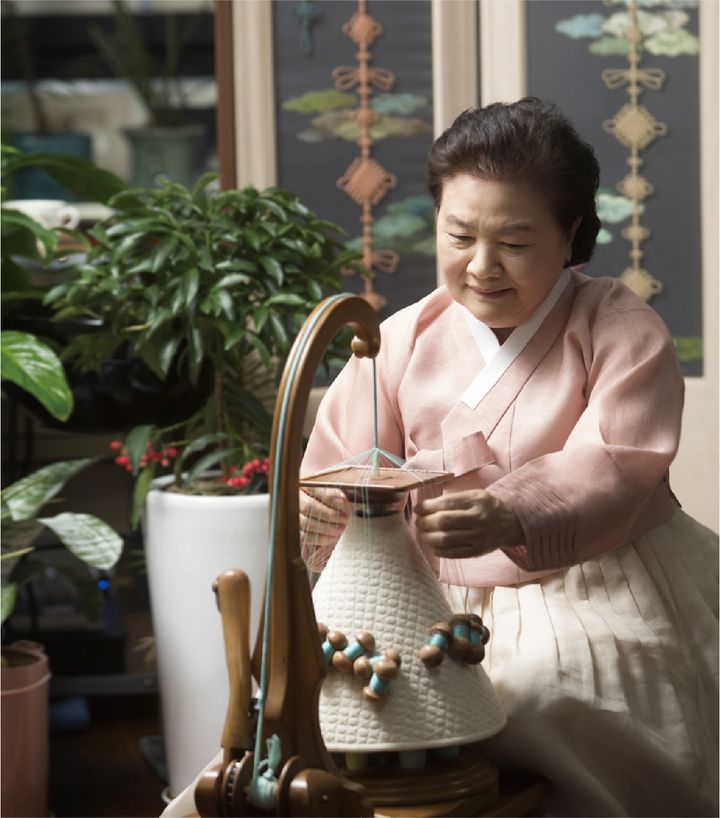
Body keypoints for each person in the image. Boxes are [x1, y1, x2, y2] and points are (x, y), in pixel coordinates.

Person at [299, 97, 718, 817]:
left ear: (571, 236)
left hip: (590, 576)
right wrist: (328, 504)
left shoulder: (620, 328)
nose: (482, 266)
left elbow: (618, 459)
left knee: (547, 693)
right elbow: (338, 461)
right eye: (459, 236)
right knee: (315, 704)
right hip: (417, 588)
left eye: (516, 243)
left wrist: (510, 510)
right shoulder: (398, 338)